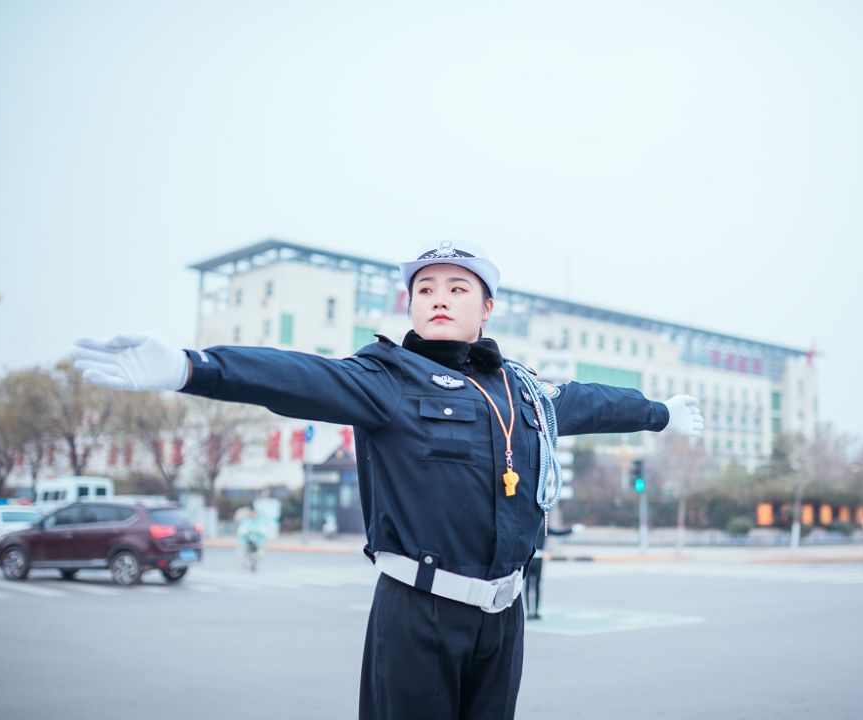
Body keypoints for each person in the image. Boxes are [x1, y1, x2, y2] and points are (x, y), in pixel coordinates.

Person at [70, 239, 703, 720]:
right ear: (411, 305)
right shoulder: (387, 379)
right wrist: (191, 367)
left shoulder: (524, 393)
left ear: (487, 307)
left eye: (458, 288)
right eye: (425, 288)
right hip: (420, 611)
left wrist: (660, 413)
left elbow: (590, 402)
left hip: (502, 614)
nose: (438, 297)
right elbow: (298, 377)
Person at [524, 522, 582, 620]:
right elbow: (558, 533)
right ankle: (534, 612)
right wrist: (572, 530)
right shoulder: (542, 527)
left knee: (529, 587)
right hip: (536, 559)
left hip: (529, 558)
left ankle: (531, 612)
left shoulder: (529, 525)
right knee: (535, 586)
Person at [236, 507, 267, 571]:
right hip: (247, 540)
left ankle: (255, 562)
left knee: (260, 553)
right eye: (252, 513)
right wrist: (246, 532)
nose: (254, 515)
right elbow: (242, 530)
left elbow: (264, 529)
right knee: (244, 552)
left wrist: (258, 531)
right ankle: (245, 562)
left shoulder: (261, 521)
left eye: (255, 513)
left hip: (258, 541)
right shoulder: (246, 520)